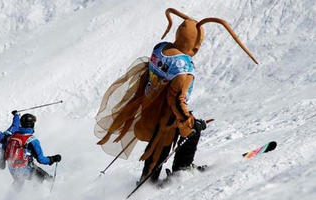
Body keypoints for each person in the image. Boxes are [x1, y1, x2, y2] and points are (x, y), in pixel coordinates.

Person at [95, 8, 258, 185]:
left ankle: (151, 178)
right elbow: (176, 99)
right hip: (166, 114)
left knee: (161, 143)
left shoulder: (161, 48)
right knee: (179, 136)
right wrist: (189, 121)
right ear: (195, 44)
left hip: (149, 105)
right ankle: (165, 176)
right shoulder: (183, 68)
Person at [5, 113, 61, 188]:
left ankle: (10, 198)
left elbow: (14, 125)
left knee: (19, 184)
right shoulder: (32, 140)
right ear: (31, 124)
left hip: (12, 168)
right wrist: (53, 159)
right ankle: (37, 197)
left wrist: (16, 116)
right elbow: (41, 159)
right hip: (24, 168)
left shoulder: (13, 135)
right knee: (44, 178)